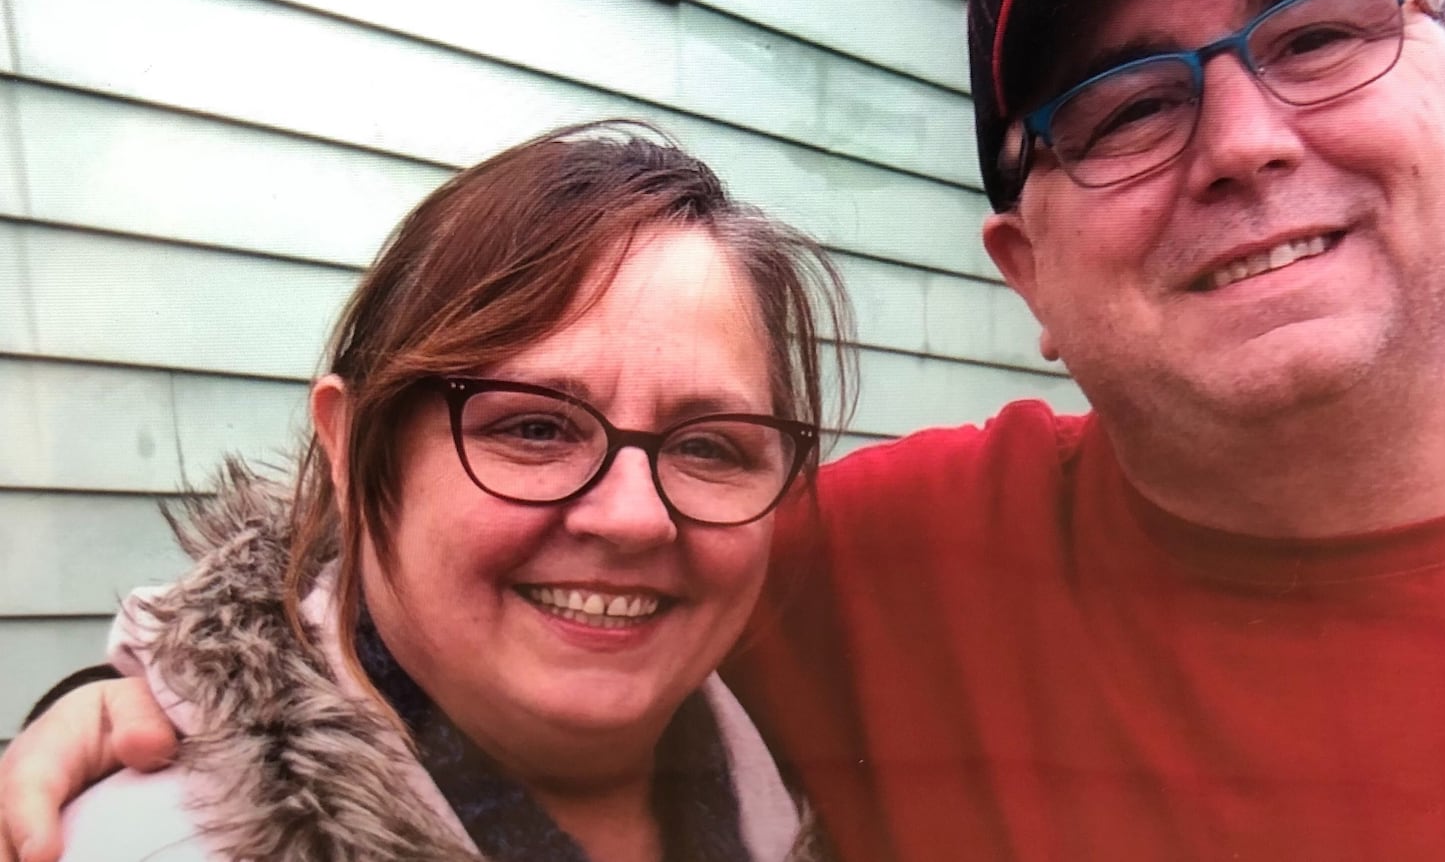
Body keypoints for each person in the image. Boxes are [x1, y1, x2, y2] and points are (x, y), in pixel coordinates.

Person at [7, 0, 1445, 860]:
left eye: (1319, 32)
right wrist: (169, 716)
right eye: (1119, 107)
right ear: (1024, 271)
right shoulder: (865, 556)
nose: (1247, 138)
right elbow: (393, 618)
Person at [10, 122, 851, 862]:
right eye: (535, 428)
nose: (633, 516)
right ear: (347, 444)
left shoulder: (823, 774)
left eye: (710, 447)